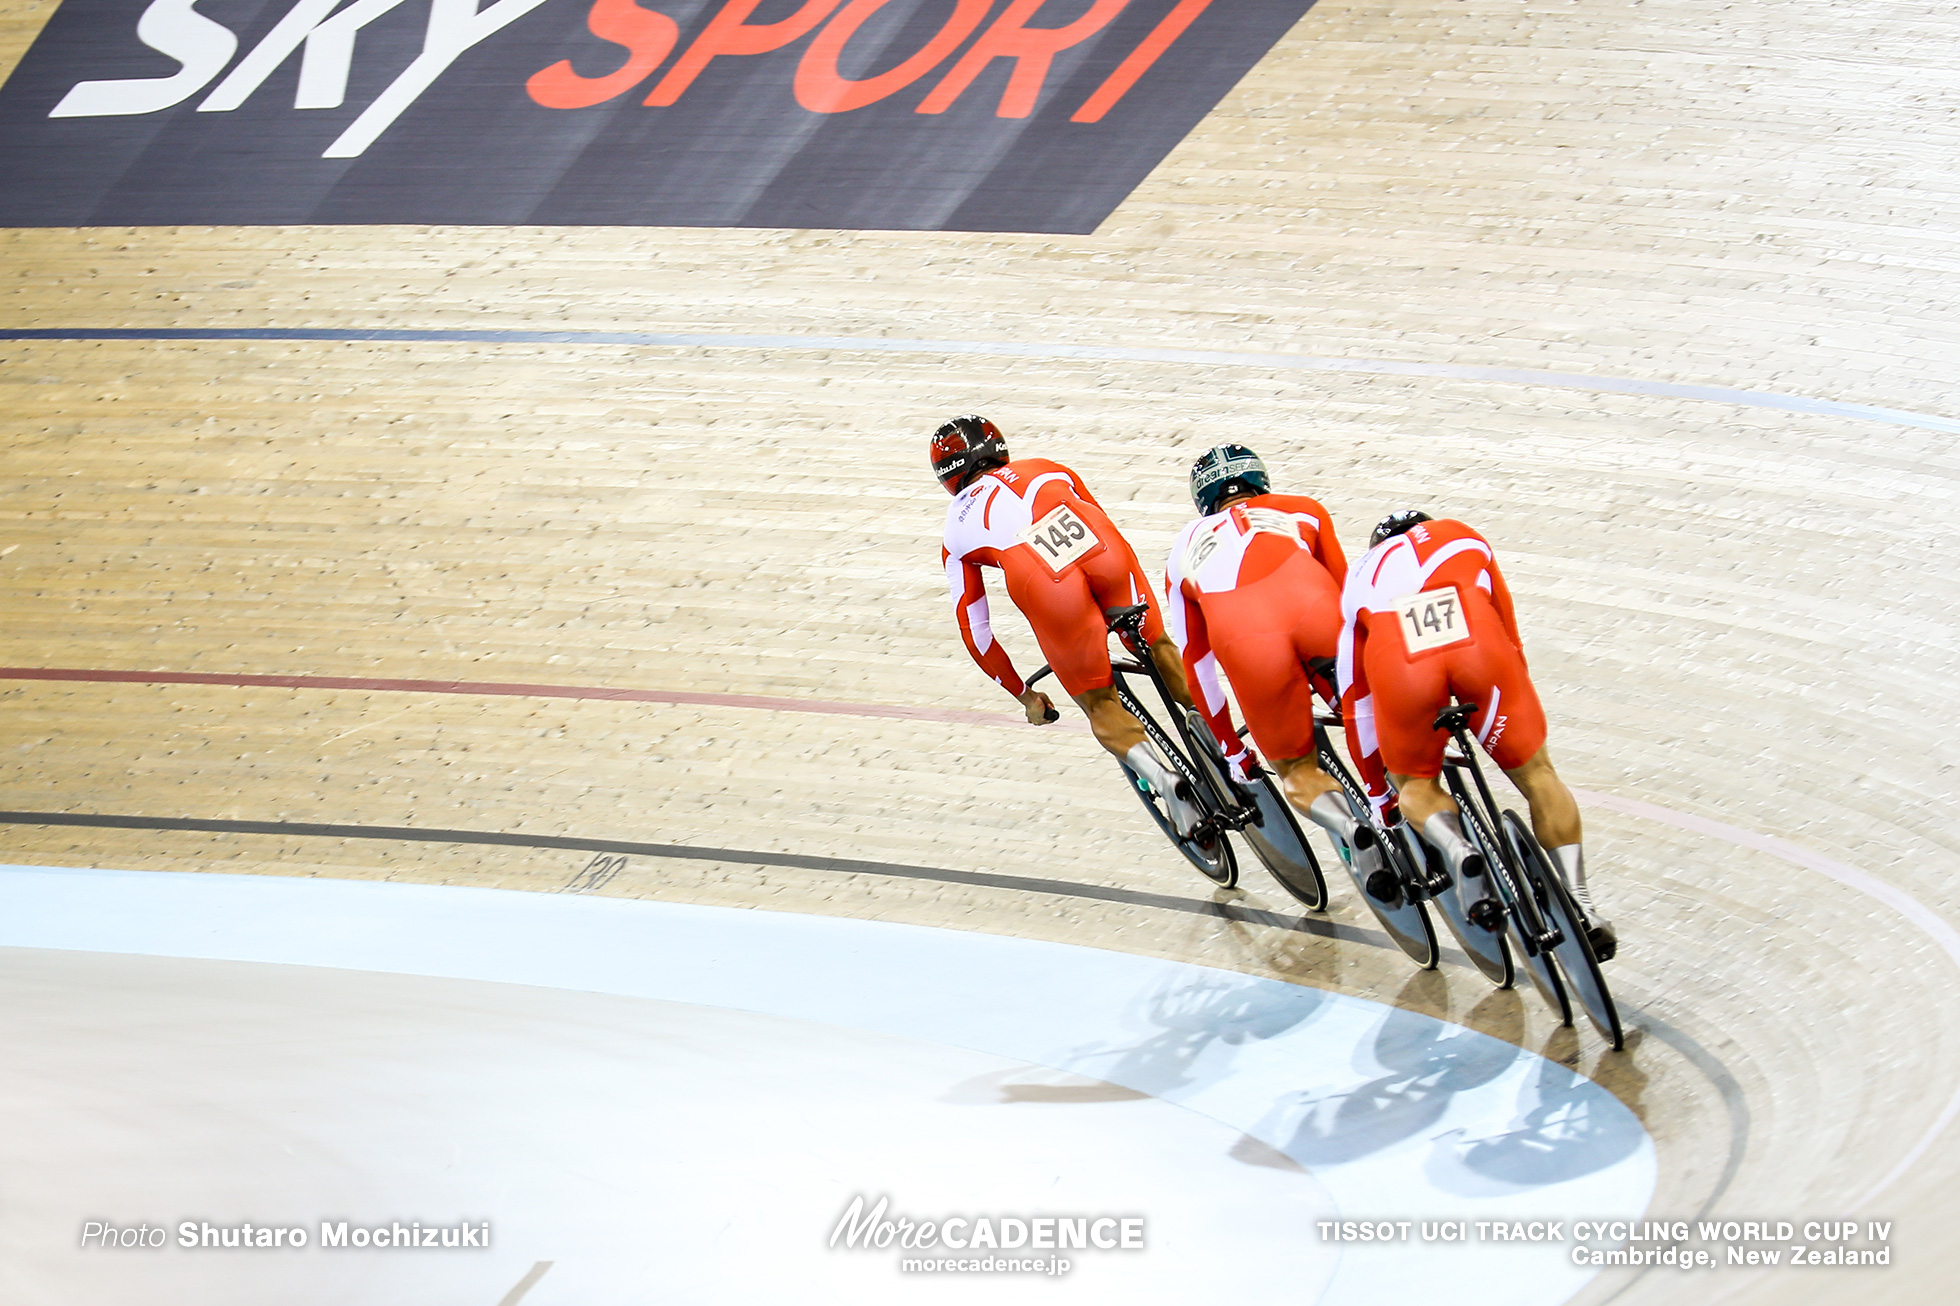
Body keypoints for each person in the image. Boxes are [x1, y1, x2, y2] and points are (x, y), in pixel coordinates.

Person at [1337, 510, 1615, 957]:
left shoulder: (1359, 577)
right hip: (1478, 648)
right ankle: (1582, 903)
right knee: (1539, 774)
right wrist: (1513, 698)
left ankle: (1458, 847)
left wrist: (1376, 788)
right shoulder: (1461, 533)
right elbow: (1509, 630)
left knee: (1415, 784)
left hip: (1402, 660)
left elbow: (1356, 694)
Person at [933, 415, 1205, 836]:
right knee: (1158, 644)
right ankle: (1221, 742)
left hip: (1045, 584)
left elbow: (976, 630)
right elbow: (1100, 516)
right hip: (1105, 551)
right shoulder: (1048, 465)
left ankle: (1167, 782)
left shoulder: (955, 529)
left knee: (1099, 703)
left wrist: (1022, 693)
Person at [1163, 446, 1391, 889]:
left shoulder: (1182, 547)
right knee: (1377, 720)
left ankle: (1350, 828)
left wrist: (1231, 748)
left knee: (1295, 770)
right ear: (1260, 480)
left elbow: (1197, 663)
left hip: (1250, 644)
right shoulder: (1305, 509)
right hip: (1318, 614)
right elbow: (1352, 599)